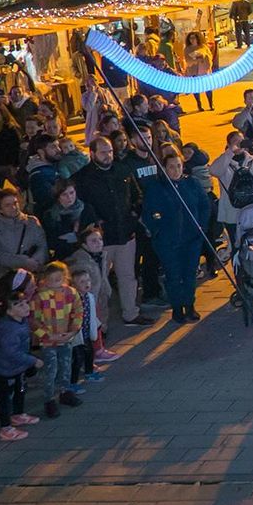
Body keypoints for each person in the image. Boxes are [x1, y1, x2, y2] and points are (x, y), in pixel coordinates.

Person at [74, 137, 150, 328]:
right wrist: (96, 222)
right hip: (101, 239)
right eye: (103, 152)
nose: (108, 155)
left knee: (127, 276)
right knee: (98, 282)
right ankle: (100, 324)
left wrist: (134, 215)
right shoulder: (82, 177)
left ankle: (131, 313)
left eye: (109, 151)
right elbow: (82, 205)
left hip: (125, 232)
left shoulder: (122, 169)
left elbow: (136, 194)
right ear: (92, 154)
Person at [142, 151, 211, 324]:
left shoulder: (192, 184)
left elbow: (204, 206)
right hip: (168, 241)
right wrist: (157, 230)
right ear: (164, 168)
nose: (176, 170)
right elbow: (149, 213)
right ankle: (177, 308)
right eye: (171, 167)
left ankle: (189, 305)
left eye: (178, 166)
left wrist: (201, 226)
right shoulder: (156, 187)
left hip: (191, 239)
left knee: (189, 274)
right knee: (173, 276)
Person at [29, 261, 82, 418]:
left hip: (66, 338)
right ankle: (49, 399)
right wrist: (46, 335)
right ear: (45, 279)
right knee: (51, 370)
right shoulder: (39, 297)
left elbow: (78, 312)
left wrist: (72, 331)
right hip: (48, 341)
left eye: (58, 278)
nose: (55, 282)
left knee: (66, 366)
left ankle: (65, 392)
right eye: (51, 279)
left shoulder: (71, 293)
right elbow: (33, 319)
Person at [0, 290, 40, 442]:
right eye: (19, 305)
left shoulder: (21, 321)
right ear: (9, 311)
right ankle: (5, 428)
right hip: (5, 371)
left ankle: (18, 415)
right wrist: (32, 360)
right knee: (6, 399)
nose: (25, 306)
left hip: (17, 368)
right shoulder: (9, 329)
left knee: (20, 390)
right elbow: (11, 353)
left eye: (25, 302)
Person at [64, 226, 117, 365]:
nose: (98, 242)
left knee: (98, 325)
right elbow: (79, 283)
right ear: (84, 245)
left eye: (100, 239)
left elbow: (103, 277)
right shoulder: (80, 261)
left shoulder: (101, 256)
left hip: (99, 297)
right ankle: (92, 354)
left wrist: (107, 291)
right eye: (93, 241)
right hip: (87, 299)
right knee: (89, 328)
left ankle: (97, 351)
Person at [0, 190, 48, 276]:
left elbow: (42, 244)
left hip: (35, 272)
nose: (13, 207)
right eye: (7, 205)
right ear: (0, 209)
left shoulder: (32, 221)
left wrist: (35, 262)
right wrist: (23, 262)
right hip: (9, 275)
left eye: (15, 203)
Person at [182, 31, 214, 112]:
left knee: (208, 87)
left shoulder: (203, 47)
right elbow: (188, 60)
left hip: (204, 70)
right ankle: (199, 104)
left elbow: (209, 56)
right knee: (196, 89)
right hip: (193, 71)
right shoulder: (187, 49)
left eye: (194, 38)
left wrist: (201, 57)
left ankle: (211, 103)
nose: (192, 40)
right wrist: (197, 58)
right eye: (190, 38)